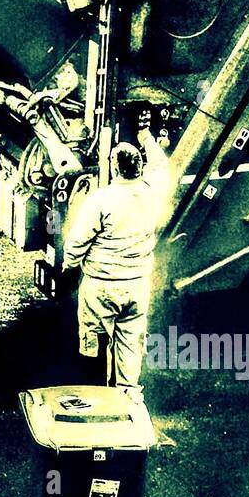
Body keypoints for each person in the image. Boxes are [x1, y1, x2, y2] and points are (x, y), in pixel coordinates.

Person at [61, 122, 172, 390]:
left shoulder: (102, 200)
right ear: (139, 168)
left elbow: (77, 241)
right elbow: (160, 166)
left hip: (101, 286)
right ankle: (128, 397)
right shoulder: (152, 193)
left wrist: (69, 266)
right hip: (136, 285)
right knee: (130, 343)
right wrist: (146, 136)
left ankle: (97, 398)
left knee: (95, 343)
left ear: (114, 168)